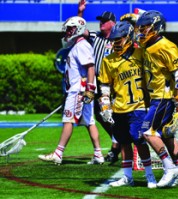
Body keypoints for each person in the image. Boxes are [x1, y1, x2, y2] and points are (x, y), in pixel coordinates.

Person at [135, 10, 178, 187]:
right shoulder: (147, 46)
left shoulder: (165, 45)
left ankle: (169, 168)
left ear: (155, 28)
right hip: (156, 97)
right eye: (140, 28)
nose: (141, 31)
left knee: (147, 132)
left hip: (163, 98)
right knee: (167, 136)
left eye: (145, 28)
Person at [38, 16, 104, 165]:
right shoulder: (77, 45)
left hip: (78, 90)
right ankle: (98, 154)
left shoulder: (81, 46)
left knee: (68, 120)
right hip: (80, 89)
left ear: (78, 29)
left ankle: (58, 153)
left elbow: (90, 67)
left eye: (70, 29)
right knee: (89, 121)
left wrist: (89, 89)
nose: (68, 32)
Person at [98, 21, 157, 188]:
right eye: (114, 39)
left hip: (138, 106)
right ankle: (127, 177)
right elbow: (104, 85)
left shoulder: (141, 54)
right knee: (124, 142)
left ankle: (149, 175)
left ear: (129, 38)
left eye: (120, 39)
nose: (116, 42)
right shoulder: (108, 60)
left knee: (140, 141)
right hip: (119, 107)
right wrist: (105, 105)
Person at [77, 0, 120, 164]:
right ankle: (118, 143)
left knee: (109, 115)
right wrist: (80, 12)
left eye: (104, 20)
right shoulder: (96, 36)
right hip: (95, 83)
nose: (100, 22)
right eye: (100, 20)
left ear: (112, 23)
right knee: (99, 115)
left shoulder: (118, 39)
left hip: (111, 84)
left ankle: (117, 146)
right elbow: (80, 31)